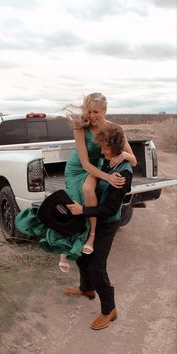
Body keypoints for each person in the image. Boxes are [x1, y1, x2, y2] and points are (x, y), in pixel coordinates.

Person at [65, 121, 133, 330]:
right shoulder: (108, 161)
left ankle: (109, 309)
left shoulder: (123, 173)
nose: (101, 151)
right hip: (93, 218)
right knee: (83, 257)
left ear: (114, 147)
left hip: (106, 223)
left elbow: (111, 210)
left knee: (96, 266)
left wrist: (82, 211)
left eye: (104, 147)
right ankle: (87, 289)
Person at [59, 92, 137, 273]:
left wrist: (123, 154)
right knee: (73, 202)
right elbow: (85, 163)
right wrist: (108, 177)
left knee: (88, 190)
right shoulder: (80, 128)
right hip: (78, 167)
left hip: (98, 166)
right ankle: (64, 249)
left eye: (96, 112)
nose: (91, 116)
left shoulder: (114, 129)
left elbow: (133, 160)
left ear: (105, 110)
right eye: (89, 111)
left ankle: (91, 236)